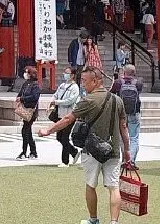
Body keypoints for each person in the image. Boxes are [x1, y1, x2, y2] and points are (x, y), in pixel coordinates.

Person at [40, 67, 132, 224]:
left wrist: (48, 130)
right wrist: (127, 150)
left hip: (91, 150)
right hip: (114, 150)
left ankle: (93, 219)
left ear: (95, 81)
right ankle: (114, 221)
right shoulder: (118, 100)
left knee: (91, 185)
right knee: (113, 187)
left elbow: (68, 118)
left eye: (84, 81)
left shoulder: (88, 100)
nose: (82, 84)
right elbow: (123, 127)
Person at [110, 64, 143, 163]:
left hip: (121, 114)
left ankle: (125, 158)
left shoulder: (118, 82)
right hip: (134, 112)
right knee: (134, 138)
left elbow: (111, 94)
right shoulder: (138, 82)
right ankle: (131, 160)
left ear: (124, 72)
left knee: (122, 137)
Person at [53, 65, 82, 167]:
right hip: (61, 114)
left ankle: (65, 161)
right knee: (59, 137)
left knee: (65, 137)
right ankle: (74, 151)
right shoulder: (62, 86)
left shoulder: (75, 87)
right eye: (65, 72)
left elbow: (70, 101)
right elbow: (56, 94)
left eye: (68, 73)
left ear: (72, 75)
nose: (65, 75)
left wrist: (56, 102)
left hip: (70, 115)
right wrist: (53, 100)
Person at [15, 65, 41, 160]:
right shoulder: (26, 83)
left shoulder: (35, 85)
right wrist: (18, 99)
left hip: (31, 111)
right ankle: (33, 152)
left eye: (27, 72)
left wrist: (22, 98)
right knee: (27, 131)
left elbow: (34, 97)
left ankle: (24, 152)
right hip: (25, 109)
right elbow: (21, 93)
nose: (25, 74)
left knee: (25, 130)